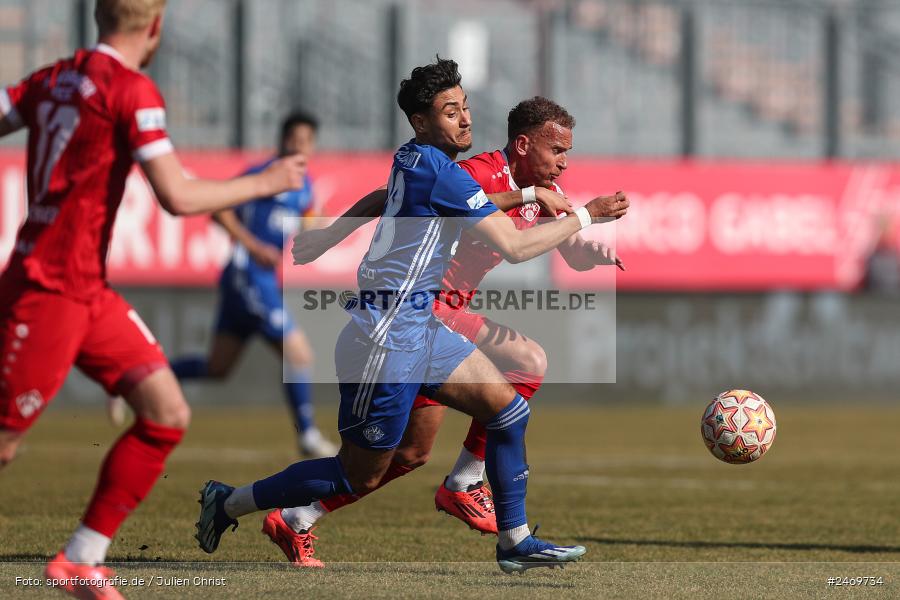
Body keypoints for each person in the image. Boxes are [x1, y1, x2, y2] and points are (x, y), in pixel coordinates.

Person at [195, 57, 623, 573]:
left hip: (421, 326)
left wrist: (331, 234)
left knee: (508, 412)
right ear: (422, 122)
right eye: (450, 112)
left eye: (465, 108)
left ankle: (513, 539)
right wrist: (586, 214)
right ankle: (230, 501)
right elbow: (511, 244)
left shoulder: (416, 159)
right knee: (359, 475)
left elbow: (427, 197)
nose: (465, 119)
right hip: (387, 339)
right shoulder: (446, 172)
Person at [0, 1, 305, 597]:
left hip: (87, 290)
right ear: (156, 27)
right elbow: (177, 196)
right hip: (47, 290)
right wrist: (267, 182)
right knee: (5, 443)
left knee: (166, 412)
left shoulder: (52, 76)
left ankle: (81, 559)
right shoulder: (131, 90)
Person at [167, 111, 337, 457]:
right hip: (248, 274)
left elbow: (303, 226)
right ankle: (307, 435)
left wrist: (317, 227)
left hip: (255, 279)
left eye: (306, 141)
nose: (300, 146)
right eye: (295, 139)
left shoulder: (303, 184)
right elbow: (219, 209)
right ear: (282, 139)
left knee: (217, 369)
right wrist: (252, 245)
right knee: (299, 353)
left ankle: (145, 377)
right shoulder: (265, 174)